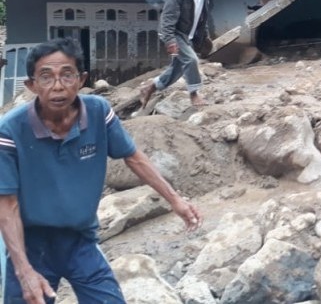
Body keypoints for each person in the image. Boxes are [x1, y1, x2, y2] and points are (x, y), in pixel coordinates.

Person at [0, 37, 202, 304]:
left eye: (67, 75)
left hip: (80, 239)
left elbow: (133, 158)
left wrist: (176, 200)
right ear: (31, 85)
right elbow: (7, 205)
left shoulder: (98, 112)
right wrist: (23, 269)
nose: (58, 86)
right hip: (31, 244)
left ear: (82, 79)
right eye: (46, 77)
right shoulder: (10, 130)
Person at [140, 0, 212, 108]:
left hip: (189, 35)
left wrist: (205, 35)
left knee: (176, 70)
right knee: (191, 60)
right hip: (175, 33)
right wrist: (170, 41)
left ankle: (150, 87)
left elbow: (202, 16)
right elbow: (167, 19)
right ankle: (194, 94)